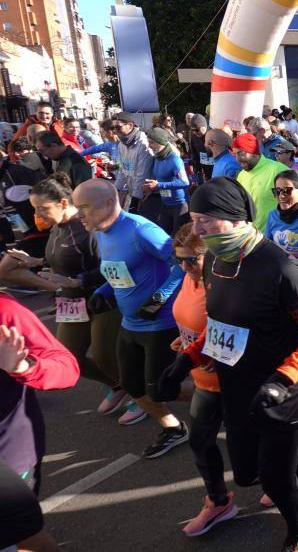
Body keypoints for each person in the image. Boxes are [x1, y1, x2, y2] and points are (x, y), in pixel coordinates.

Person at [159, 176, 298, 552]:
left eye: (207, 219)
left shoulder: (280, 269)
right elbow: (222, 327)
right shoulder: (215, 263)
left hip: (281, 395)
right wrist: (185, 360)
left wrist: (284, 377)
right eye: (195, 218)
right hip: (235, 391)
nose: (199, 228)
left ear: (236, 217)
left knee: (275, 481)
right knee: (246, 474)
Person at [73, 179, 188, 453]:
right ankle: (173, 428)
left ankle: (221, 395)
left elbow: (184, 262)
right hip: (130, 321)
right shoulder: (101, 229)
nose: (79, 215)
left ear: (108, 204)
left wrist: (159, 299)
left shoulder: (141, 230)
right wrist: (104, 290)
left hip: (161, 323)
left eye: (84, 208)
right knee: (132, 384)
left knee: (161, 388)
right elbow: (118, 268)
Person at [0, 174, 125, 414]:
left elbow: (110, 267)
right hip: (71, 302)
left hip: (100, 301)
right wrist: (36, 261)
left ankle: (143, 396)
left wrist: (75, 281)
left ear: (63, 204)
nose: (38, 215)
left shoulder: (88, 227)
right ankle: (119, 386)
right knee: (69, 356)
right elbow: (62, 260)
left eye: (42, 208)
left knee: (103, 356)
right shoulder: (58, 227)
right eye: (34, 208)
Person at [165, 224, 238, 536]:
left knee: (254, 460)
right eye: (179, 259)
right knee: (200, 441)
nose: (184, 266)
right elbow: (193, 322)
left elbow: (223, 327)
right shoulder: (189, 277)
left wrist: (188, 355)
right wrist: (185, 343)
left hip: (235, 381)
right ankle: (218, 501)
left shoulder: (224, 283)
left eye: (191, 260)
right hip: (204, 379)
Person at [0, 294, 80, 495]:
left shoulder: (5, 309)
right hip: (69, 297)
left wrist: (24, 367)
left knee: (20, 525)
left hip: (8, 456)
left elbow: (67, 367)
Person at [265, 169, 298, 288]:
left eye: (286, 191)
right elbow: (266, 247)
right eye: (277, 191)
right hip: (283, 282)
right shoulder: (272, 216)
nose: (281, 196)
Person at [232, 133, 289, 231]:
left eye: (241, 153)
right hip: (249, 238)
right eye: (235, 154)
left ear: (254, 151)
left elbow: (292, 204)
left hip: (275, 239)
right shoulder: (241, 175)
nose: (237, 159)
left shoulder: (277, 170)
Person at [143, 128, 190, 235]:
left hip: (180, 206)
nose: (149, 146)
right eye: (148, 142)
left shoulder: (175, 160)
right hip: (165, 203)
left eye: (152, 142)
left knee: (178, 239)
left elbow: (185, 182)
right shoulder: (157, 158)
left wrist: (159, 185)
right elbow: (160, 179)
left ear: (161, 142)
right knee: (163, 236)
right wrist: (151, 189)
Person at [112, 112, 155, 217]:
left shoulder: (143, 144)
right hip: (133, 192)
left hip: (147, 195)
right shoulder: (122, 144)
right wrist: (114, 190)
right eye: (112, 128)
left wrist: (134, 202)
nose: (114, 131)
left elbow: (142, 175)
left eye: (118, 127)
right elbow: (123, 170)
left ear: (130, 125)